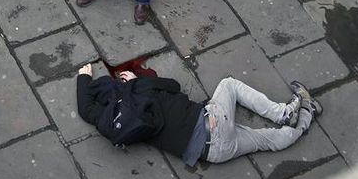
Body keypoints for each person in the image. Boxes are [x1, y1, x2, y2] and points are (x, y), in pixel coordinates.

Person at [75, 63, 322, 165]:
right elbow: (174, 86)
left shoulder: (111, 121)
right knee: (229, 85)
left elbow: (87, 111)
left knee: (264, 141)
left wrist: (83, 83)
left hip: (212, 154)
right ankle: (284, 114)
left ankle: (306, 115)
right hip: (211, 123)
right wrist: (135, 81)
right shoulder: (138, 87)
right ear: (118, 83)